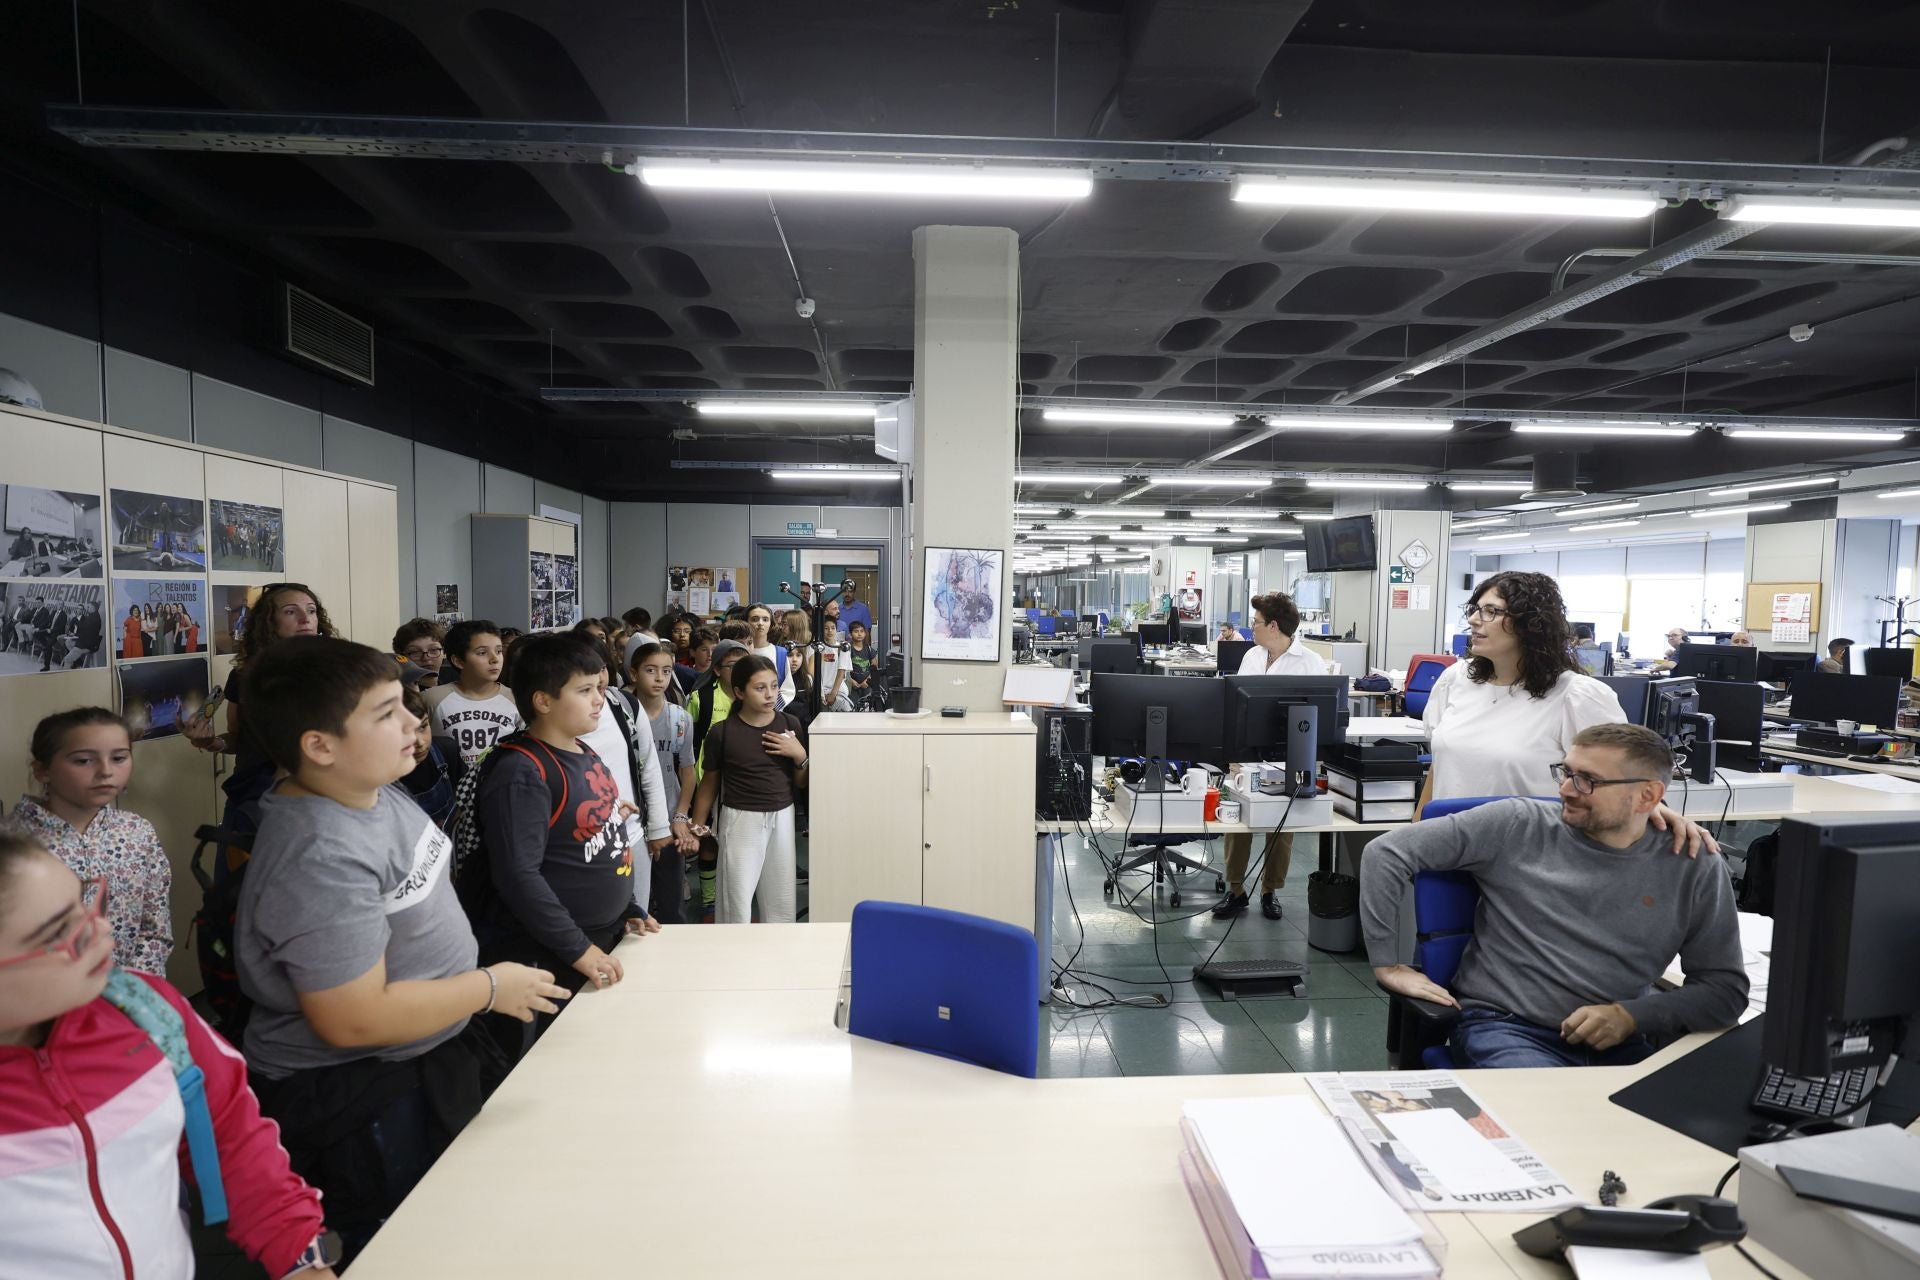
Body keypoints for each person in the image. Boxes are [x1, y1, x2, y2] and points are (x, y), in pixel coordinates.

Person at [232, 636, 568, 1261]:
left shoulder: (368, 786)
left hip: (426, 1051)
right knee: (406, 1248)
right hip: (361, 1093)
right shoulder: (319, 854)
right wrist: (489, 987)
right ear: (320, 745)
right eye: (387, 713)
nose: (414, 722)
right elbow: (353, 1019)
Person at [0, 831, 341, 1279]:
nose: (101, 928)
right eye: (64, 932)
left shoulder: (147, 1011)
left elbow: (233, 1140)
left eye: (86, 903)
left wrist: (301, 1257)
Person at [1364, 724, 1748, 1068]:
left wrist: (1632, 1016)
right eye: (1566, 773)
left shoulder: (1693, 863)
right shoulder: (1517, 824)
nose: (1566, 789)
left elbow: (1725, 994)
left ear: (1648, 796)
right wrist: (1386, 964)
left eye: (1588, 781)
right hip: (1506, 1028)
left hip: (1619, 1042)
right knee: (1550, 1124)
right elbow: (1386, 852)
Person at [1419, 572, 1714, 855]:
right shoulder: (1456, 679)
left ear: (1530, 625)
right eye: (1475, 609)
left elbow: (1620, 776)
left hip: (1527, 857)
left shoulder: (1577, 695)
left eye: (1491, 611)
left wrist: (1657, 809)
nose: (1473, 619)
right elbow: (1442, 765)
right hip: (1448, 847)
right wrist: (1416, 834)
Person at [473, 636, 647, 1059]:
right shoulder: (522, 771)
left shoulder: (583, 749)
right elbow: (519, 876)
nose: (598, 701)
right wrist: (579, 950)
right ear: (543, 701)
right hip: (551, 952)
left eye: (600, 688)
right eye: (584, 691)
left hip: (599, 939)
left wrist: (627, 908)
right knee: (551, 1065)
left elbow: (594, 839)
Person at [12, 707, 172, 974]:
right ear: (42, 770)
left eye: (119, 757)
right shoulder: (11, 841)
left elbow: (155, 930)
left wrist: (126, 993)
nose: (105, 771)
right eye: (84, 761)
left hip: (124, 999)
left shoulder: (137, 832)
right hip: (38, 1003)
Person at [182, 582, 339, 833]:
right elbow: (237, 739)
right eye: (290, 611)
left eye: (311, 611)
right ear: (269, 623)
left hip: (321, 801)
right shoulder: (245, 676)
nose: (305, 619)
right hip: (254, 799)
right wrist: (211, 743)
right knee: (241, 871)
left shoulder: (339, 673)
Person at [1213, 592, 1330, 921]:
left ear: (1274, 626)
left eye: (1257, 623)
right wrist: (1234, 755)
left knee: (1281, 829)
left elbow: (1319, 716)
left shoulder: (1310, 663)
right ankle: (1235, 890)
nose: (1252, 628)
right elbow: (1237, 703)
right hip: (1247, 756)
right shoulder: (1252, 656)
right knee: (1237, 824)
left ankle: (1269, 891)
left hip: (1288, 759)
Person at [687, 655, 809, 925]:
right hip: (740, 818)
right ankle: (734, 960)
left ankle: (778, 957)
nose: (770, 694)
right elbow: (709, 783)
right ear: (739, 692)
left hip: (782, 815)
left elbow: (800, 782)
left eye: (774, 686)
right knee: (736, 900)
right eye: (760, 688)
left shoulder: (789, 724)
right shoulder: (723, 732)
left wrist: (800, 755)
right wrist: (697, 825)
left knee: (781, 900)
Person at [573, 636, 682, 927]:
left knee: (637, 922)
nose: (598, 681)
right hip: (585, 842)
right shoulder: (564, 715)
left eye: (601, 670)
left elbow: (649, 767)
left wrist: (658, 827)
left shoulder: (623, 704)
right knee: (600, 922)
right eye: (586, 674)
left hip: (632, 832)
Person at [632, 641, 700, 924]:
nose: (660, 678)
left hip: (669, 817)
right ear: (633, 673)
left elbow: (688, 772)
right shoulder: (622, 717)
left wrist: (681, 815)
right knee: (634, 900)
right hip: (633, 820)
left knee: (672, 901)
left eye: (666, 671)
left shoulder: (679, 718)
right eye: (651, 670)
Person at [424, 619, 521, 769]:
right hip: (451, 786)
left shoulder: (515, 698)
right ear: (458, 661)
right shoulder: (432, 699)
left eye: (499, 651)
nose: (495, 659)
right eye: (482, 653)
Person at [399, 684, 461, 830]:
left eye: (423, 727)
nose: (419, 742)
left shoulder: (447, 750)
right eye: (405, 732)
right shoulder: (379, 782)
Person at [845, 620, 879, 709]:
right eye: (856, 631)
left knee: (868, 706)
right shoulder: (848, 649)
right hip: (852, 684)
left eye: (861, 631)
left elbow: (874, 665)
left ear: (865, 633)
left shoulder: (868, 648)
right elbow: (843, 668)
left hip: (867, 683)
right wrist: (851, 681)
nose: (859, 634)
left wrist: (867, 680)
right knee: (854, 706)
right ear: (850, 634)